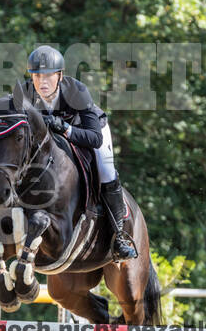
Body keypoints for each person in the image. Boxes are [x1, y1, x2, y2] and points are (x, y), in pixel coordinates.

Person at [24, 44, 137, 261]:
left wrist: (65, 128)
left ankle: (119, 237)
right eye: (36, 76)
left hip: (88, 132)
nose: (42, 82)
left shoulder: (76, 91)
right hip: (52, 145)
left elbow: (94, 138)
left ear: (59, 75)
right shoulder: (25, 93)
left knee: (106, 170)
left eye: (48, 76)